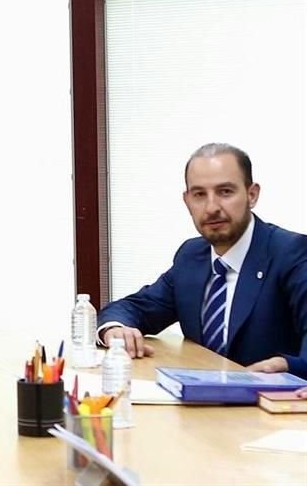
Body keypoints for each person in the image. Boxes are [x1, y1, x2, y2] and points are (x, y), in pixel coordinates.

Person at [98, 143, 307, 379]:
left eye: (225, 192)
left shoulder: (292, 253)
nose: (211, 207)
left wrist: (288, 366)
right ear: (187, 201)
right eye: (199, 195)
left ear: (252, 194)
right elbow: (136, 308)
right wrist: (115, 329)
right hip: (203, 406)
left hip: (274, 408)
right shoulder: (191, 256)